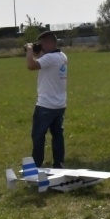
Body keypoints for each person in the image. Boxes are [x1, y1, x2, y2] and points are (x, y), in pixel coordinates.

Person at [26, 30, 68, 168]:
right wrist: (40, 53)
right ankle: (58, 164)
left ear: (49, 43)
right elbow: (44, 64)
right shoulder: (62, 56)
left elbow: (31, 65)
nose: (41, 47)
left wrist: (30, 51)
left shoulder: (50, 58)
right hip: (60, 104)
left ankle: (36, 164)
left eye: (42, 44)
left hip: (46, 105)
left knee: (38, 136)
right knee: (57, 136)